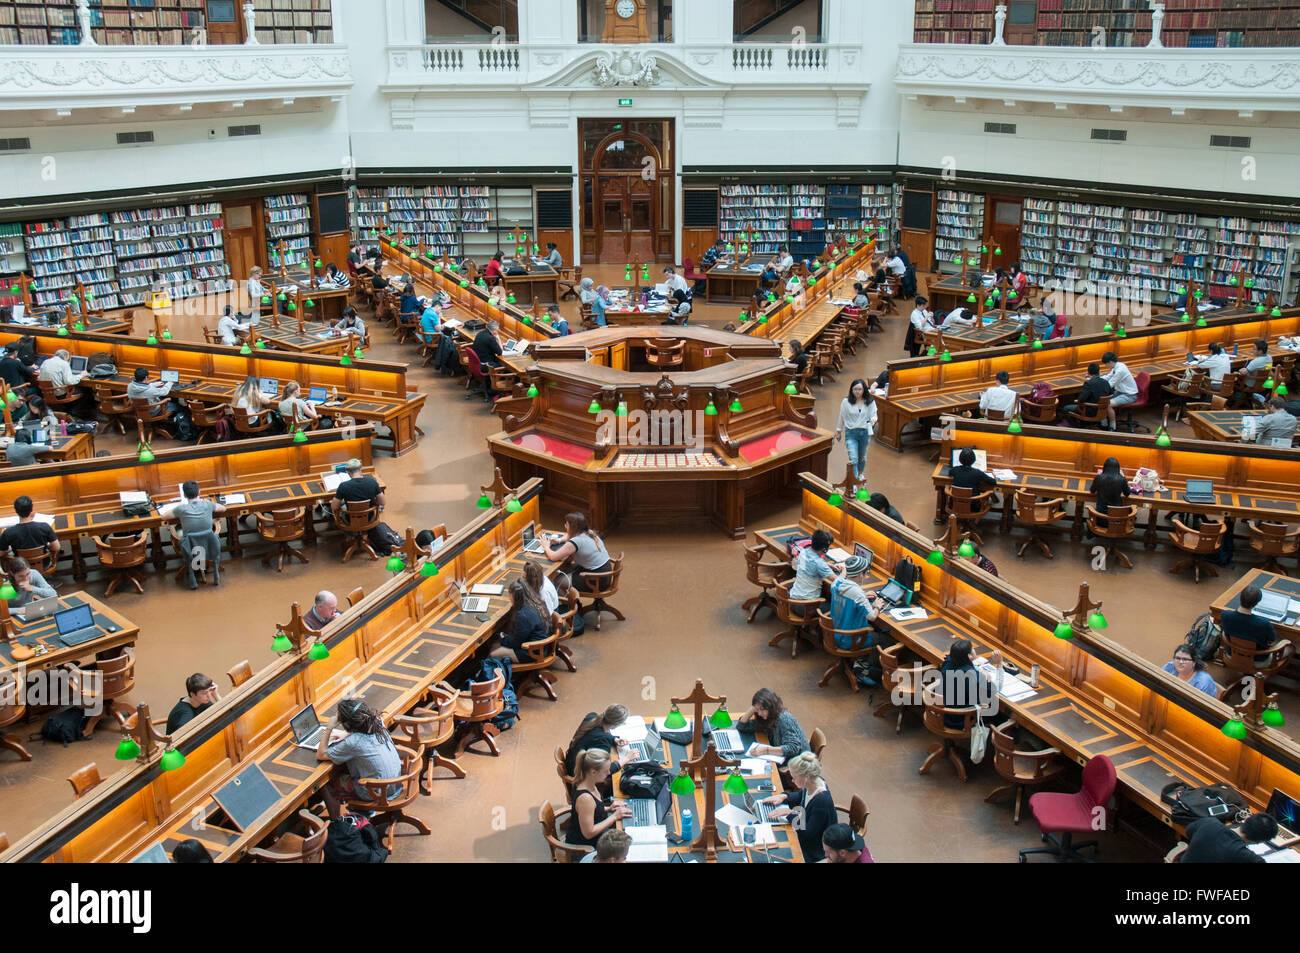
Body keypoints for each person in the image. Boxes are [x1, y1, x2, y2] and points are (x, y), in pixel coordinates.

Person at [317, 698, 403, 804]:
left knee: (325, 783)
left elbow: (321, 754)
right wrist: (348, 734)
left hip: (375, 793)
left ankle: (337, 820)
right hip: (395, 785)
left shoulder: (353, 742)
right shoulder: (378, 723)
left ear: (347, 724)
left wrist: (329, 728)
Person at [759, 751, 834, 862]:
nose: (792, 781)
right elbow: (801, 795)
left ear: (806, 777)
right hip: (802, 835)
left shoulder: (822, 801)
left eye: (794, 778)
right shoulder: (814, 782)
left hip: (812, 850)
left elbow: (807, 832)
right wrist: (784, 796)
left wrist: (790, 813)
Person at [566, 749, 630, 849]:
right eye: (605, 771)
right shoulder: (586, 799)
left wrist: (609, 808)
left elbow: (593, 810)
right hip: (584, 848)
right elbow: (589, 833)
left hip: (597, 835)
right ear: (593, 772)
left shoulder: (588, 783)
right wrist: (614, 817)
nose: (609, 773)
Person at [169, 480, 225, 588]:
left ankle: (193, 573)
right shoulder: (208, 504)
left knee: (174, 529)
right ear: (199, 492)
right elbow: (223, 508)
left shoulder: (181, 509)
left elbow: (164, 516)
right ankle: (215, 575)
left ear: (184, 495)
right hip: (209, 544)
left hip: (190, 547)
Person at [542, 512, 610, 594]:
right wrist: (559, 540)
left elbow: (553, 556)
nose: (565, 526)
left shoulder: (576, 542)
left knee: (557, 581)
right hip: (605, 573)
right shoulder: (589, 532)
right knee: (564, 569)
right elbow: (568, 536)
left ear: (572, 528)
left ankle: (569, 605)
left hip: (597, 580)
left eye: (566, 525)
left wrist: (545, 546)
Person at [939, 639, 999, 729]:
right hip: (961, 718)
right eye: (973, 649)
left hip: (944, 713)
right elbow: (992, 689)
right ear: (969, 656)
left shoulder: (947, 663)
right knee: (998, 712)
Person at [736, 688, 809, 761]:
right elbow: (742, 726)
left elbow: (793, 748)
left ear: (771, 707)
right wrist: (754, 707)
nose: (759, 713)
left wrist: (765, 750)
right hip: (783, 757)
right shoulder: (766, 718)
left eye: (762, 709)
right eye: (757, 710)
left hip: (797, 762)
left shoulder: (784, 719)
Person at [828, 555, 882, 652]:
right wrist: (877, 607)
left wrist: (865, 599)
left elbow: (849, 599)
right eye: (865, 573)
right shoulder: (857, 593)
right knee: (887, 639)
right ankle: (863, 664)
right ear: (861, 574)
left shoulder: (836, 583)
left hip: (835, 634)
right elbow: (872, 617)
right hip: (851, 639)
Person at [489, 580, 549, 663]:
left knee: (493, 653)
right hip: (539, 645)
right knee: (495, 645)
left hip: (532, 651)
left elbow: (516, 642)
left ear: (514, 596)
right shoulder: (533, 603)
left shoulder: (523, 615)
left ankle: (498, 672)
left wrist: (503, 638)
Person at [563, 704, 630, 777]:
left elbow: (596, 734)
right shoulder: (603, 740)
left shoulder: (592, 716)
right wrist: (626, 758)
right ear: (616, 725)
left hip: (571, 761)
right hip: (578, 774)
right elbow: (605, 771)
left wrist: (614, 739)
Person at [1182, 813, 1276, 864]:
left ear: (1246, 819)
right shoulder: (1245, 856)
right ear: (1262, 841)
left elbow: (1189, 831)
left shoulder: (1210, 823)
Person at [1220, 586, 1278, 662]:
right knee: (1289, 647)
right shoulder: (1264, 624)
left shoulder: (1225, 615)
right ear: (1257, 602)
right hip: (1258, 660)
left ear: (1240, 598)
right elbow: (1272, 641)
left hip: (1231, 654)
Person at [834, 379, 877, 480]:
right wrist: (838, 431)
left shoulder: (870, 401)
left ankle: (860, 473)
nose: (857, 391)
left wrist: (873, 420)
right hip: (851, 433)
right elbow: (841, 416)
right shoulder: (846, 402)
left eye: (860, 389)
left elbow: (874, 414)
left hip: (865, 432)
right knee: (853, 458)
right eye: (855, 389)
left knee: (862, 458)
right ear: (851, 390)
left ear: (864, 390)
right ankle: (853, 480)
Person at [789, 529, 838, 610]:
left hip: (793, 599)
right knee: (837, 608)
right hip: (806, 607)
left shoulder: (803, 552)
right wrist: (844, 569)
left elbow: (810, 565)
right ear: (824, 549)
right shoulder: (819, 564)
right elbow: (839, 581)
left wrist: (827, 564)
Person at [1088, 456, 1131, 529]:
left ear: (1104, 467)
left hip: (1100, 518)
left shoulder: (1099, 477)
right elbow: (1127, 494)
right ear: (1118, 468)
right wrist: (1124, 479)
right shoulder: (1122, 479)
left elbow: (1092, 491)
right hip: (1116, 520)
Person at [1100, 351, 1137, 431]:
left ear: (1110, 362)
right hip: (1120, 392)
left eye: (1106, 364)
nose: (1106, 366)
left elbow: (1110, 385)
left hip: (1129, 395)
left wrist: (1097, 385)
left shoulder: (1120, 370)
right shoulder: (1117, 366)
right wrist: (1096, 378)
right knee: (1102, 401)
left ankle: (1112, 427)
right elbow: (1108, 376)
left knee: (1107, 404)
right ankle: (1104, 423)